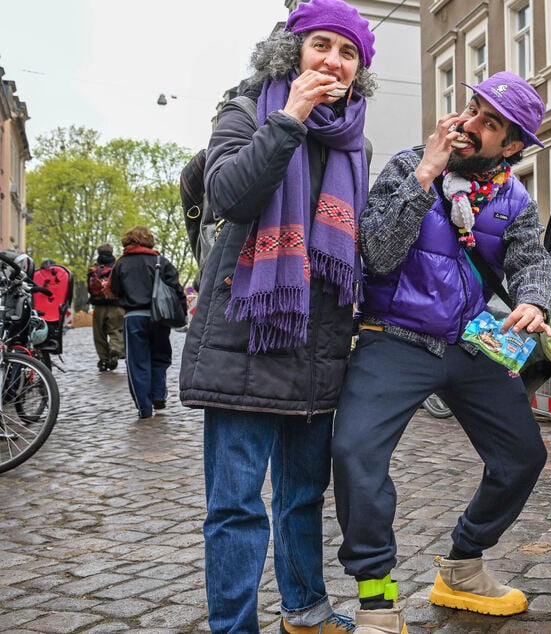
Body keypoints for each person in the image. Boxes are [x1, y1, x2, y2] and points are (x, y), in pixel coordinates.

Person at [331, 71, 551, 634]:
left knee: (522, 456)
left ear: (510, 146)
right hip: (394, 336)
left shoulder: (514, 196)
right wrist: (426, 172)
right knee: (356, 452)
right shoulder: (411, 163)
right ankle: (377, 597)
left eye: (490, 121)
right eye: (473, 108)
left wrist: (534, 299)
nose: (470, 123)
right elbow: (376, 254)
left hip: (471, 339)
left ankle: (463, 565)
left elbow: (532, 261)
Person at [177, 0, 375, 631]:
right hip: (248, 329)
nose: (334, 61)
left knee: (301, 498)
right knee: (235, 505)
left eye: (349, 53)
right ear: (293, 52)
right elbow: (229, 195)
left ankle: (305, 611)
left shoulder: (355, 141)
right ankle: (233, 626)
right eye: (322, 45)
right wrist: (289, 117)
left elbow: (359, 246)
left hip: (317, 341)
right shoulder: (244, 110)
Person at [110, 227, 186, 419]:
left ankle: (144, 408)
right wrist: (182, 313)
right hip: (159, 317)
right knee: (160, 357)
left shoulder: (121, 264)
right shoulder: (161, 261)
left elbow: (114, 290)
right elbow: (177, 290)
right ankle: (158, 394)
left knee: (137, 363)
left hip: (134, 317)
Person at [87, 243, 124, 371]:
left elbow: (89, 288)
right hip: (116, 305)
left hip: (98, 306)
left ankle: (103, 360)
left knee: (99, 334)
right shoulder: (118, 266)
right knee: (116, 330)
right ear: (112, 251)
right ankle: (115, 349)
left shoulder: (93, 269)